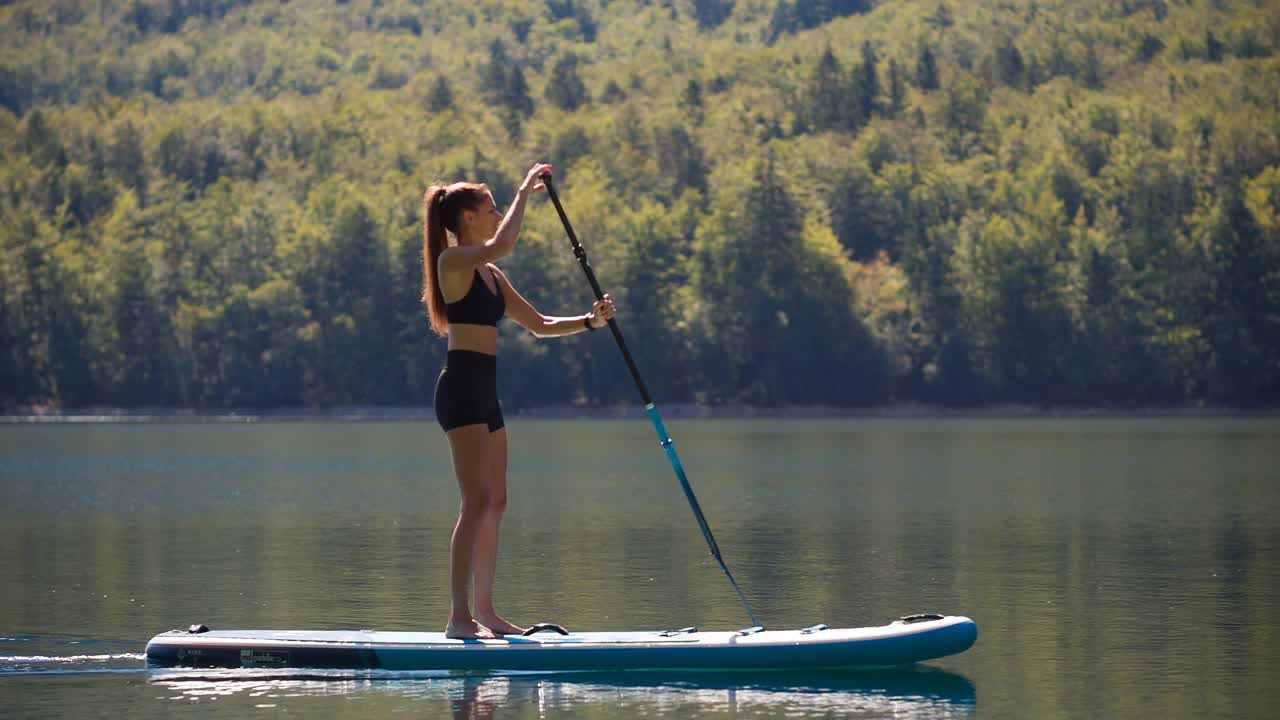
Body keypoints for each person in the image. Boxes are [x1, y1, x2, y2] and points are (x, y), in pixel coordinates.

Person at [422, 163, 616, 639]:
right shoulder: (453, 263)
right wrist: (527, 189)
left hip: (487, 392)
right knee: (475, 502)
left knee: (498, 501)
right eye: (489, 208)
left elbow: (541, 324)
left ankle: (486, 611)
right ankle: (457, 617)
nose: (494, 214)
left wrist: (590, 321)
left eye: (496, 208)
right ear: (466, 218)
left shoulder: (492, 275)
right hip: (461, 388)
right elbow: (503, 241)